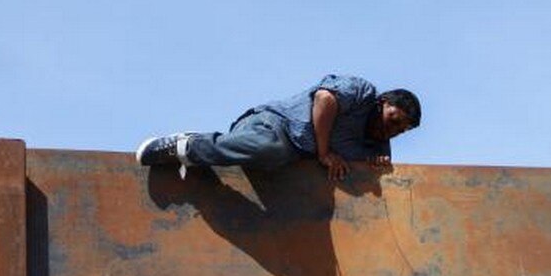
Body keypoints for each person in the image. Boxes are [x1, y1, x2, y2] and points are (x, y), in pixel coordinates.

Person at [136, 74, 421, 180]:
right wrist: (324, 153)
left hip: (287, 156)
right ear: (382, 102)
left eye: (400, 130)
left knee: (279, 162)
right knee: (273, 149)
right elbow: (325, 98)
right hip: (272, 125)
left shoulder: (376, 146)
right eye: (393, 120)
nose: (391, 130)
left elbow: (370, 180)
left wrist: (374, 168)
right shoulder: (362, 92)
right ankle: (187, 145)